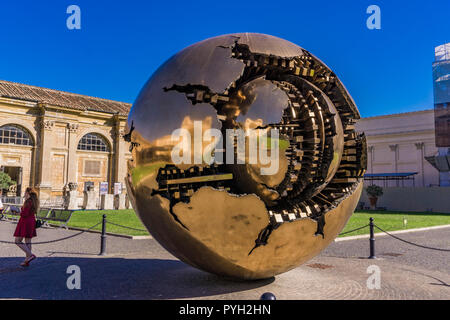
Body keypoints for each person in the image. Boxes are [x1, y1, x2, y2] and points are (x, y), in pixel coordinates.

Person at [14, 187, 38, 267]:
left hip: (25, 222)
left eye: (25, 192)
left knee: (17, 240)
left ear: (28, 193)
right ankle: (27, 260)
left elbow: (24, 214)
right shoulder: (33, 201)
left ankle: (30, 255)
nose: (24, 193)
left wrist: (18, 212)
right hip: (30, 222)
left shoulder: (28, 202)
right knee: (28, 241)